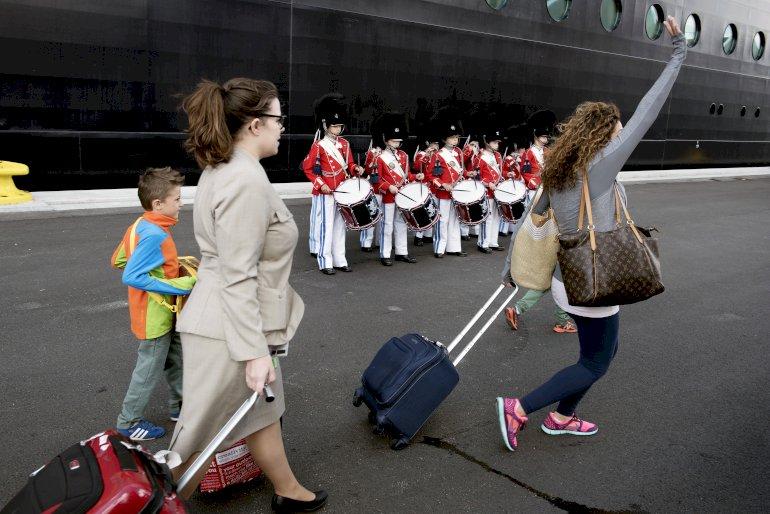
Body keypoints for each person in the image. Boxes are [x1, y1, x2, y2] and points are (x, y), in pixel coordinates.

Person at [496, 17, 685, 451]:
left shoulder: (560, 171)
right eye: (617, 132)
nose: (623, 136)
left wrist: (510, 270)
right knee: (595, 361)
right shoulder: (600, 169)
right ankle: (520, 409)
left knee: (603, 355)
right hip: (595, 277)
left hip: (568, 277)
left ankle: (562, 415)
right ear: (604, 136)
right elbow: (647, 111)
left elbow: (531, 222)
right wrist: (679, 53)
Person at [171, 78, 327, 511]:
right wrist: (254, 351)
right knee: (194, 440)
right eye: (278, 118)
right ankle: (155, 504)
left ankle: (288, 489)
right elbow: (238, 276)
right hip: (229, 329)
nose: (283, 127)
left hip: (226, 321)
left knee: (261, 411)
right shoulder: (244, 180)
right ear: (256, 124)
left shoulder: (227, 169)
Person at [110, 167, 195, 441]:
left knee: (175, 360)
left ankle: (180, 408)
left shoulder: (140, 225)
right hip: (155, 316)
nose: (181, 203)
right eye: (177, 199)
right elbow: (131, 274)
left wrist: (162, 268)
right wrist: (182, 283)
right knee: (148, 370)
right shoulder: (156, 234)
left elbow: (119, 259)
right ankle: (128, 422)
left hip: (156, 313)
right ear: (158, 204)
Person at [504, 112, 576, 334]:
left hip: (547, 210)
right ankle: (563, 318)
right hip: (545, 208)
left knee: (551, 276)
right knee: (562, 275)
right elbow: (529, 177)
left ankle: (521, 308)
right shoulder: (530, 154)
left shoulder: (547, 154)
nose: (546, 140)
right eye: (543, 136)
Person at [302, 93, 364, 275]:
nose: (337, 129)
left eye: (339, 126)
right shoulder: (319, 146)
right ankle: (325, 260)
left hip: (342, 190)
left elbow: (350, 164)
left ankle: (340, 259)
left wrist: (356, 169)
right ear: (326, 126)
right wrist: (321, 184)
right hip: (326, 191)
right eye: (334, 126)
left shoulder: (345, 144)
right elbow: (308, 168)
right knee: (326, 227)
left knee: (340, 227)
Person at [371, 112, 418, 266]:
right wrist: (388, 187)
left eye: (398, 141)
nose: (397, 144)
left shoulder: (404, 156)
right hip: (389, 197)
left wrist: (415, 177)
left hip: (402, 194)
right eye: (393, 141)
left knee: (401, 223)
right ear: (386, 140)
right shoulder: (380, 157)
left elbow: (406, 175)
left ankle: (401, 252)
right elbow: (376, 181)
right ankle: (385, 254)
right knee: (387, 224)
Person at [428, 108, 467, 258]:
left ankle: (454, 246)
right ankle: (440, 247)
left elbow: (460, 171)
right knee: (442, 220)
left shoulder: (459, 153)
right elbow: (431, 175)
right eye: (452, 137)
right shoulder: (438, 155)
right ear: (445, 139)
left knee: (455, 219)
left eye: (456, 137)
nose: (455, 140)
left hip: (456, 191)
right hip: (443, 193)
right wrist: (442, 184)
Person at [474, 121, 506, 253]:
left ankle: (493, 242)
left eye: (497, 143)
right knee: (487, 217)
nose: (497, 145)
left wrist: (507, 174)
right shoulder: (480, 158)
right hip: (487, 192)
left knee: (497, 216)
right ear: (487, 142)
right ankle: (483, 243)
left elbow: (500, 172)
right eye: (494, 142)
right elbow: (476, 177)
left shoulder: (498, 156)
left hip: (497, 191)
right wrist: (488, 183)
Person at [411, 127, 439, 247]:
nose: (436, 146)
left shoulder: (439, 155)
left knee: (433, 211)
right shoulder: (422, 154)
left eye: (437, 144)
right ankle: (418, 236)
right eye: (433, 143)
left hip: (435, 186)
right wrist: (427, 154)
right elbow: (417, 166)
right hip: (424, 185)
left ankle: (428, 235)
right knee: (423, 211)